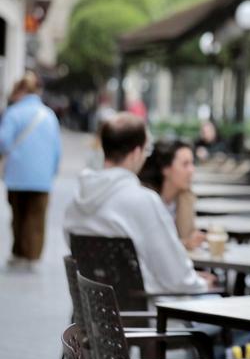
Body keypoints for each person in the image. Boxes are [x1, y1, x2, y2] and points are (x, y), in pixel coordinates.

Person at [63, 112, 214, 294]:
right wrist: (202, 283)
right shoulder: (143, 200)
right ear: (136, 152)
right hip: (146, 316)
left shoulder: (76, 202)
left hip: (96, 314)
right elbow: (176, 276)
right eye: (145, 151)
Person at [0, 71, 61, 269]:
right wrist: (51, 171)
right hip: (42, 177)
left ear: (21, 91)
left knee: (18, 216)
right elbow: (57, 149)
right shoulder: (49, 115)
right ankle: (32, 257)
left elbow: (3, 142)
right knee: (36, 217)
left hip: (16, 175)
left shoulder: (14, 113)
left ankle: (18, 253)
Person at [139, 140, 205, 250]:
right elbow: (146, 246)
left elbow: (188, 237)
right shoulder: (145, 199)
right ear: (166, 169)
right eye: (185, 164)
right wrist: (184, 244)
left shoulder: (186, 198)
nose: (192, 170)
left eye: (192, 163)